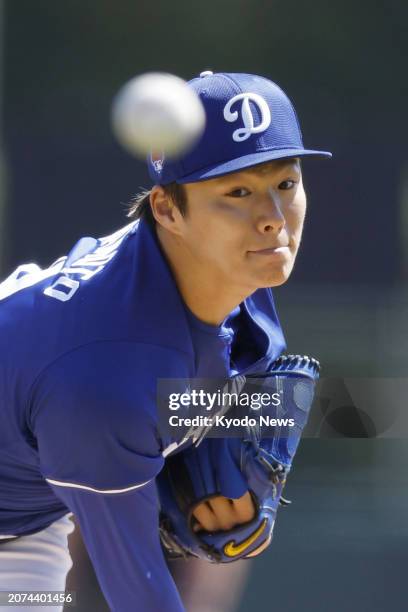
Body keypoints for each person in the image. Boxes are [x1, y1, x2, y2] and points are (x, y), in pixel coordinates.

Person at [0, 71, 331, 611]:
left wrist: (196, 438)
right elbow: (139, 592)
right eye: (238, 191)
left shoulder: (225, 274)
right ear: (165, 209)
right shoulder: (104, 377)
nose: (272, 219)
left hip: (28, 519)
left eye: (286, 184)